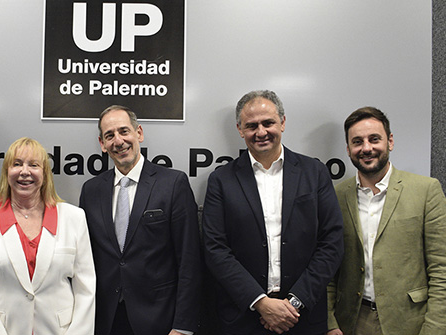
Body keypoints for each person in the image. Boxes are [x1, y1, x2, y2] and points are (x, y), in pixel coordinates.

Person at [202, 90, 344, 335]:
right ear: (239, 129)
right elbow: (215, 248)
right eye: (251, 126)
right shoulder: (221, 180)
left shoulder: (314, 172)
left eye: (268, 123)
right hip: (243, 318)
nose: (260, 132)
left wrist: (295, 302)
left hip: (303, 317)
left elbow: (332, 241)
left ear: (283, 122)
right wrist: (260, 302)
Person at [78, 105, 201, 335]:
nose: (118, 141)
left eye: (124, 131)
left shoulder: (173, 184)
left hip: (160, 321)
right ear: (102, 144)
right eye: (109, 135)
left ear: (139, 133)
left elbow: (190, 260)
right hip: (105, 320)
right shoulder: (91, 190)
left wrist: (183, 326)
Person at [327, 107, 446, 335]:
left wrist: (435, 328)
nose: (367, 148)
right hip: (352, 320)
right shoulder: (337, 196)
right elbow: (329, 268)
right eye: (357, 142)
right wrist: (330, 323)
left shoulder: (426, 191)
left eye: (374, 139)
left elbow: (441, 269)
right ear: (348, 149)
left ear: (390, 141)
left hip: (410, 321)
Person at [0, 137, 96, 335]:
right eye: (16, 164)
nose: (24, 172)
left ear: (45, 174)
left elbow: (86, 288)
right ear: (6, 172)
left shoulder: (74, 218)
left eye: (34, 165)